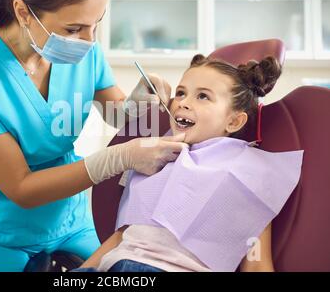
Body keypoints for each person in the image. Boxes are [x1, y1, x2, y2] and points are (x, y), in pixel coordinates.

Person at [0, 0, 187, 272]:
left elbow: (115, 114)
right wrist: (119, 157)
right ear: (23, 13)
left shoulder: (86, 50)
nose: (89, 41)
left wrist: (137, 104)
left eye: (96, 24)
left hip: (70, 219)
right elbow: (22, 188)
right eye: (73, 28)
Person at [73, 54, 302, 272]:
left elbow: (256, 265)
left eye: (203, 96)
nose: (183, 103)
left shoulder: (245, 176)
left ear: (234, 121)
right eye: (181, 93)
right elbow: (123, 234)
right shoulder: (154, 160)